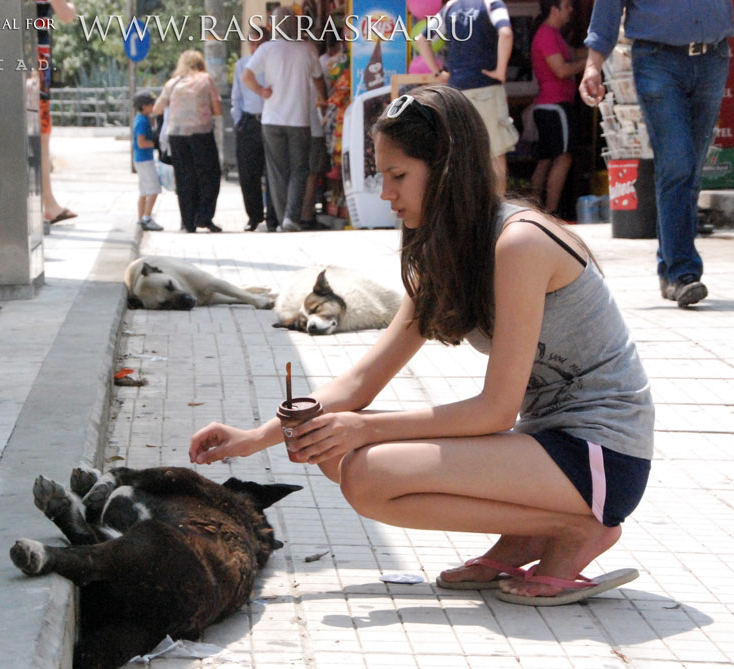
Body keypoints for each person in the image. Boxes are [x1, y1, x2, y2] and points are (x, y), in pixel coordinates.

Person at [190, 85, 654, 605]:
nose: (387, 194)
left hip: (602, 457)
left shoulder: (521, 243)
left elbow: (496, 409)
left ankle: (573, 530)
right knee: (332, 448)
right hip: (545, 448)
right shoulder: (447, 249)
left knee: (367, 471)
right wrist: (255, 438)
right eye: (382, 177)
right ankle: (530, 533)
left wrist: (362, 426)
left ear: (449, 169)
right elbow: (363, 380)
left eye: (399, 176)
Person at [580, 0, 734, 308]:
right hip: (656, 60)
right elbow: (608, 6)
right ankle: (683, 273)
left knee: (691, 168)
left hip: (712, 59)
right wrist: (593, 64)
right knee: (678, 162)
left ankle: (670, 266)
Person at [415, 0, 520, 195]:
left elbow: (422, 39)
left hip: (457, 93)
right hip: (486, 88)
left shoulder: (450, 7)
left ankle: (463, 213)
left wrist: (438, 73)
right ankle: (496, 212)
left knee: (461, 156)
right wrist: (500, 70)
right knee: (495, 154)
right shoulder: (491, 4)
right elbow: (505, 33)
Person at [242, 5, 326, 232]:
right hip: (300, 120)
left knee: (277, 171)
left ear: (273, 26)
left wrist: (261, 91)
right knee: (300, 169)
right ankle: (290, 218)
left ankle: (281, 221)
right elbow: (318, 79)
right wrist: (323, 97)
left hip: (271, 120)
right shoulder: (307, 49)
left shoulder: (267, 49)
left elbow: (246, 76)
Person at [153, 50, 224, 233]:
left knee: (185, 178)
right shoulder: (205, 79)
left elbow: (157, 108)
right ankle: (204, 217)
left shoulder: (173, 83)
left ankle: (187, 223)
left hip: (176, 135)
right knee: (210, 175)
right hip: (201, 133)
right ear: (200, 63)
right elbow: (217, 109)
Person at [529, 0, 586, 216]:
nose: (571, 10)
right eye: (567, 6)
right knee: (563, 157)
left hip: (550, 105)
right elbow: (561, 69)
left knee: (545, 160)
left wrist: (596, 52)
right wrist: (591, 64)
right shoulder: (546, 35)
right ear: (554, 9)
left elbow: (572, 54)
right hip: (555, 106)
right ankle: (552, 212)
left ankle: (533, 210)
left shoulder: (554, 35)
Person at [232, 30, 279, 232]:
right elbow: (236, 97)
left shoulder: (274, 64)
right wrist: (239, 121)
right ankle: (254, 215)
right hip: (250, 122)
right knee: (248, 173)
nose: (255, 49)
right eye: (252, 45)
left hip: (272, 121)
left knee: (272, 171)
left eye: (259, 44)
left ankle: (273, 216)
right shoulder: (242, 65)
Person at [37, 0, 77, 225]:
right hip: (36, 56)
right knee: (41, 132)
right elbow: (67, 13)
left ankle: (47, 201)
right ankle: (47, 203)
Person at [132, 92, 163, 232]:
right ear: (144, 106)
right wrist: (156, 143)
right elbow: (142, 143)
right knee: (154, 188)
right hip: (145, 159)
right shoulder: (142, 121)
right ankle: (147, 217)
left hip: (140, 159)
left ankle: (141, 218)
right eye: (151, 104)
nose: (154, 106)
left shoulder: (141, 119)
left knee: (144, 190)